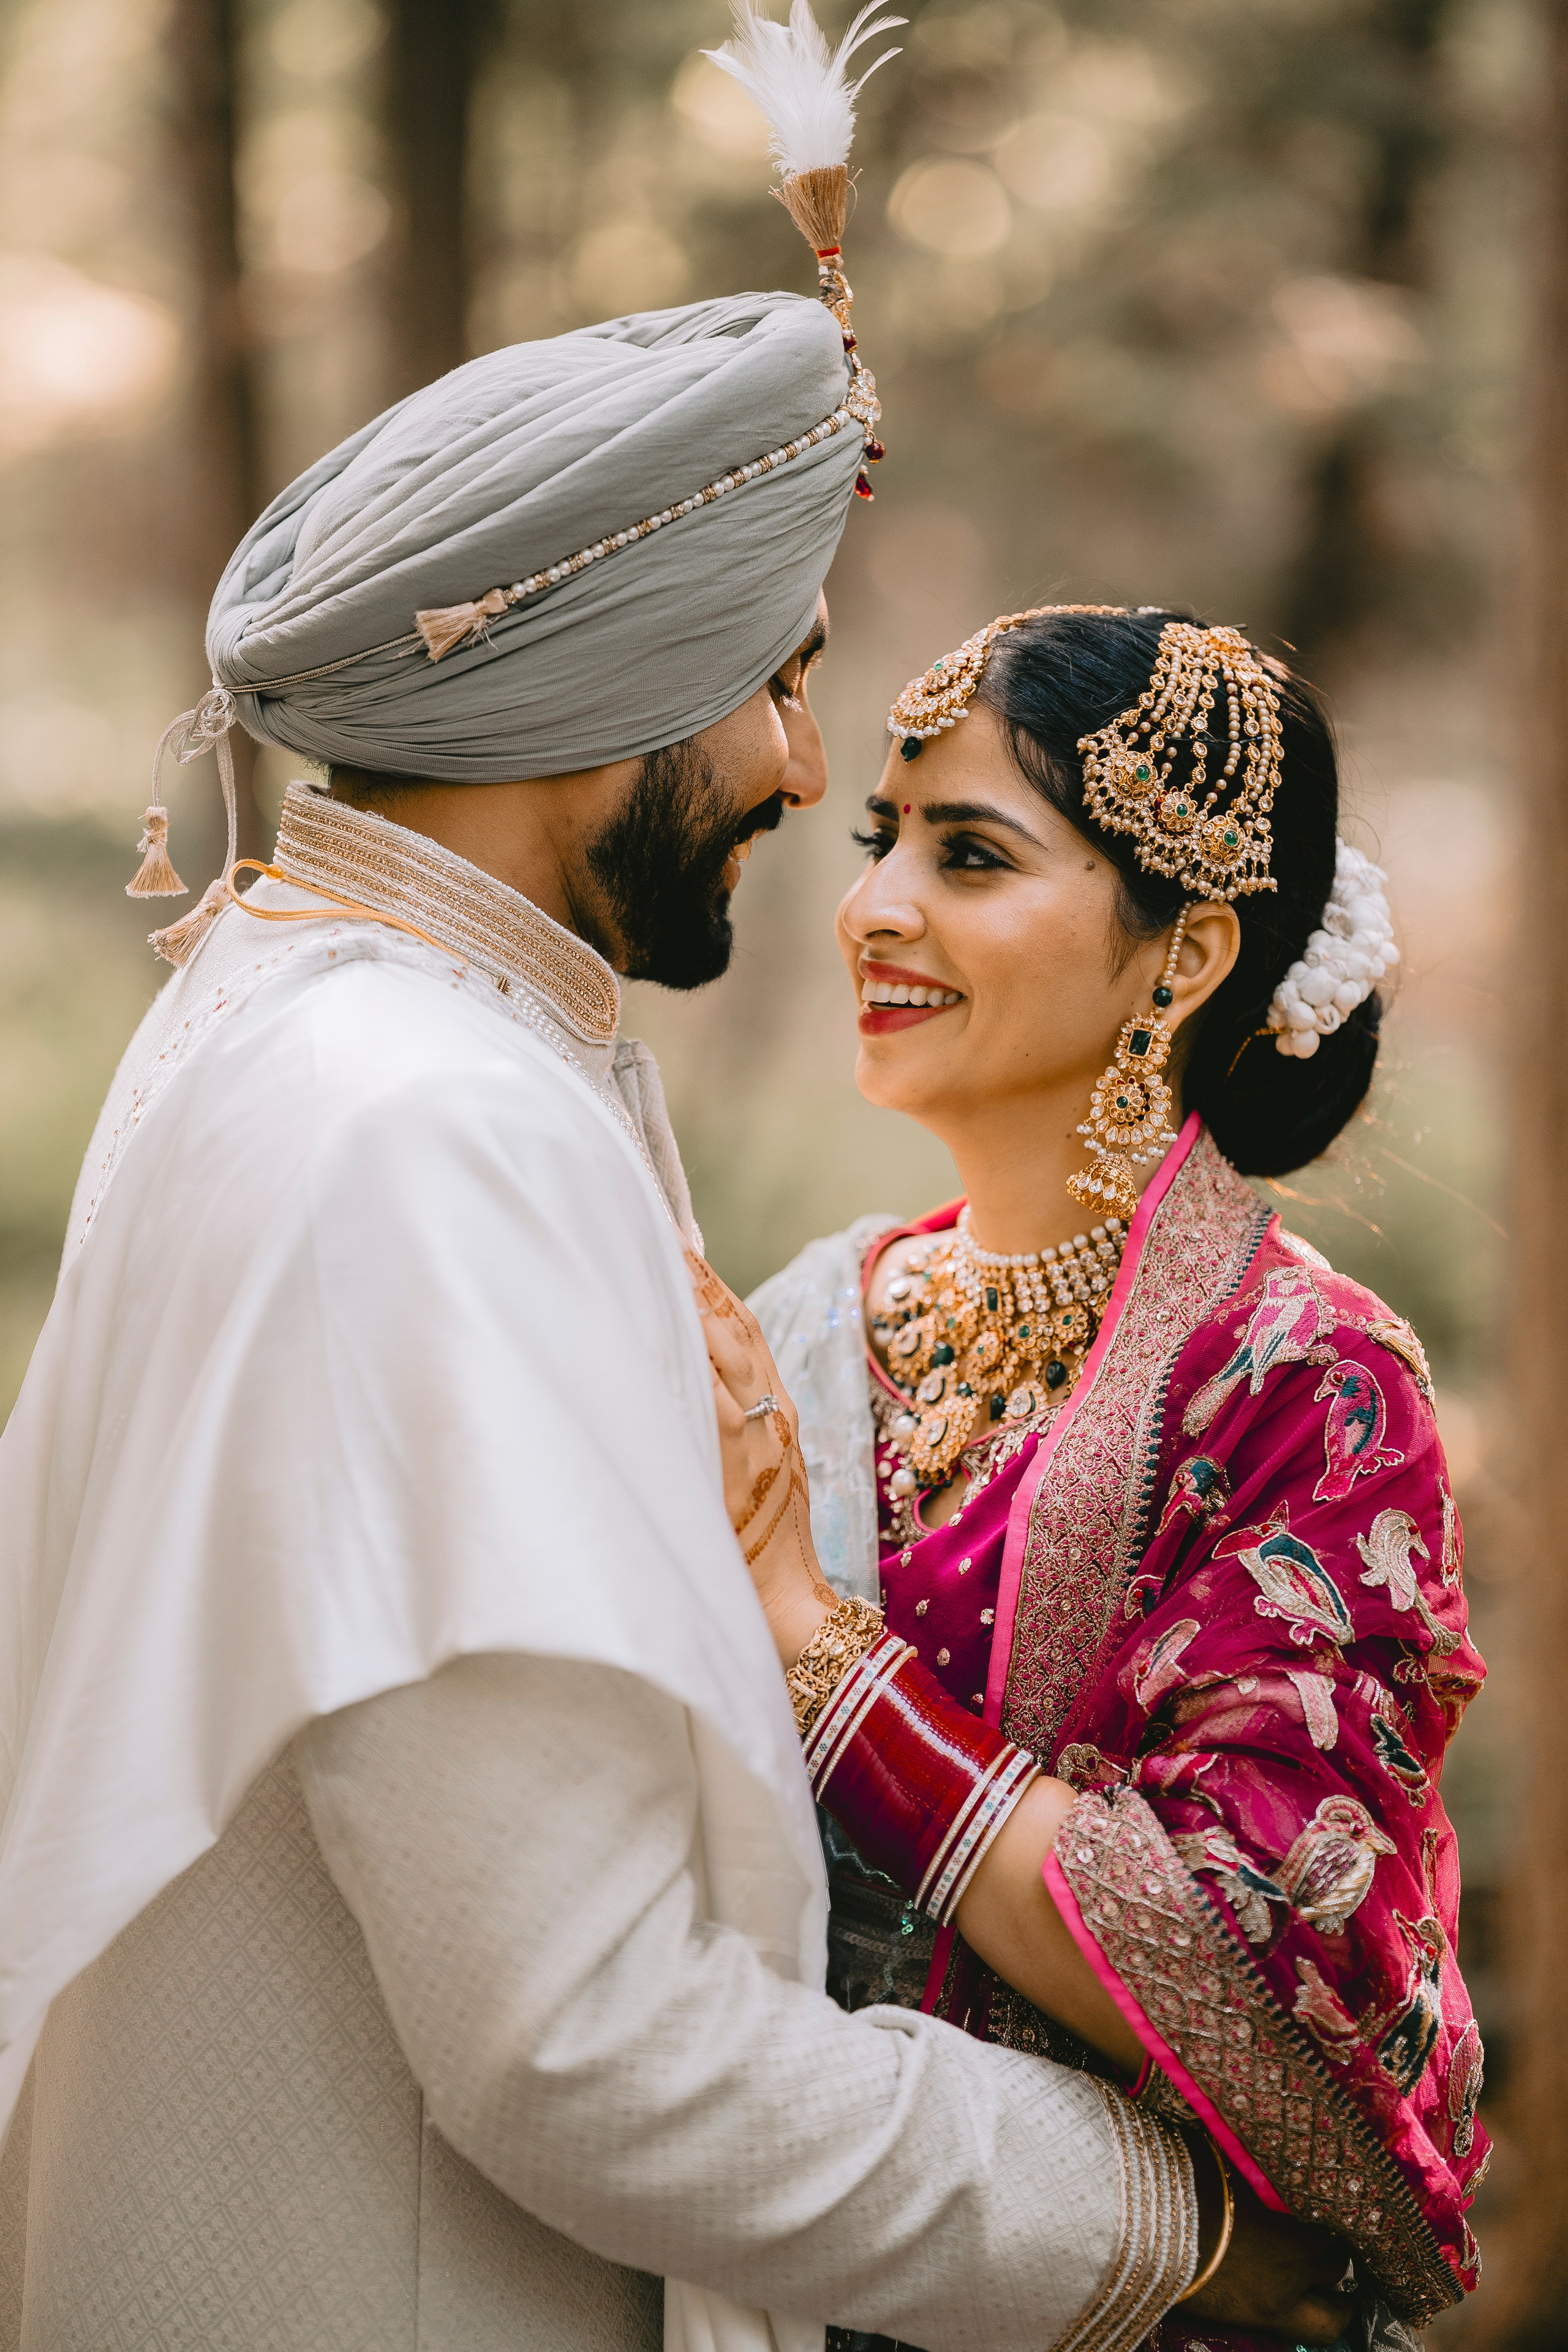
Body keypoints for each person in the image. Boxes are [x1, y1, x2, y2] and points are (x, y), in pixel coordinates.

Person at [0, 19, 1343, 2351]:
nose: (805, 769)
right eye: (783, 686)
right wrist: (1159, 2231)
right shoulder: (427, 1127)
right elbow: (583, 2042)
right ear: (621, 686)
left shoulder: (308, 1011)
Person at [706, 603, 1488, 2352]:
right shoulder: (808, 1323)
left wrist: (810, 1643)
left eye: (970, 855)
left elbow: (1257, 1959)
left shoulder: (1310, 1386)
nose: (874, 907)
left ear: (1185, 952)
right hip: (792, 2263)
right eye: (881, 841)